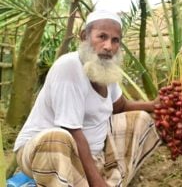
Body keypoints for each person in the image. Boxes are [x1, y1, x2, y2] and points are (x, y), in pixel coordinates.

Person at [13, 10, 161, 187]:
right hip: (45, 152)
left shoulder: (105, 67)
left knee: (140, 119)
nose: (108, 46)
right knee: (57, 138)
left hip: (92, 155)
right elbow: (72, 131)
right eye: (102, 37)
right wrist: (97, 182)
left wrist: (154, 105)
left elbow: (120, 106)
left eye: (115, 40)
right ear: (84, 36)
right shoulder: (69, 67)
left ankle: (99, 178)